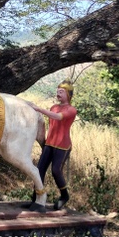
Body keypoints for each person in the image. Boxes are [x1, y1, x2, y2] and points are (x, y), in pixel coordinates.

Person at [27, 80, 77, 210]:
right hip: (49, 143)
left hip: (62, 145)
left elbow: (58, 117)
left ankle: (64, 195)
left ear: (69, 94)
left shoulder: (71, 110)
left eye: (62, 91)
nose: (58, 93)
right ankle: (36, 200)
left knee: (56, 171)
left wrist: (38, 109)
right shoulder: (54, 107)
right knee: (39, 170)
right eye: (58, 91)